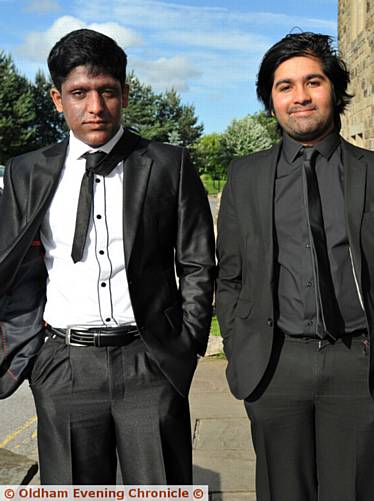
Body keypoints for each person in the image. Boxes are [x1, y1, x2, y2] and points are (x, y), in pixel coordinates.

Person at [0, 29, 215, 484]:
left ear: (125, 94)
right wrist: (34, 354)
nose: (95, 108)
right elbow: (16, 266)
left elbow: (198, 260)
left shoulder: (168, 163)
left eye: (107, 92)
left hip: (150, 361)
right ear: (58, 99)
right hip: (63, 365)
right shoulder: (26, 170)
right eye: (79, 93)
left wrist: (187, 343)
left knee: (160, 490)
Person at [216, 32, 374, 501]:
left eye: (313, 82)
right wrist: (240, 345)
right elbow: (228, 276)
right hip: (274, 366)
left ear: (335, 89)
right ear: (271, 100)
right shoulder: (245, 176)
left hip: (359, 367)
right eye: (284, 86)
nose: (300, 96)